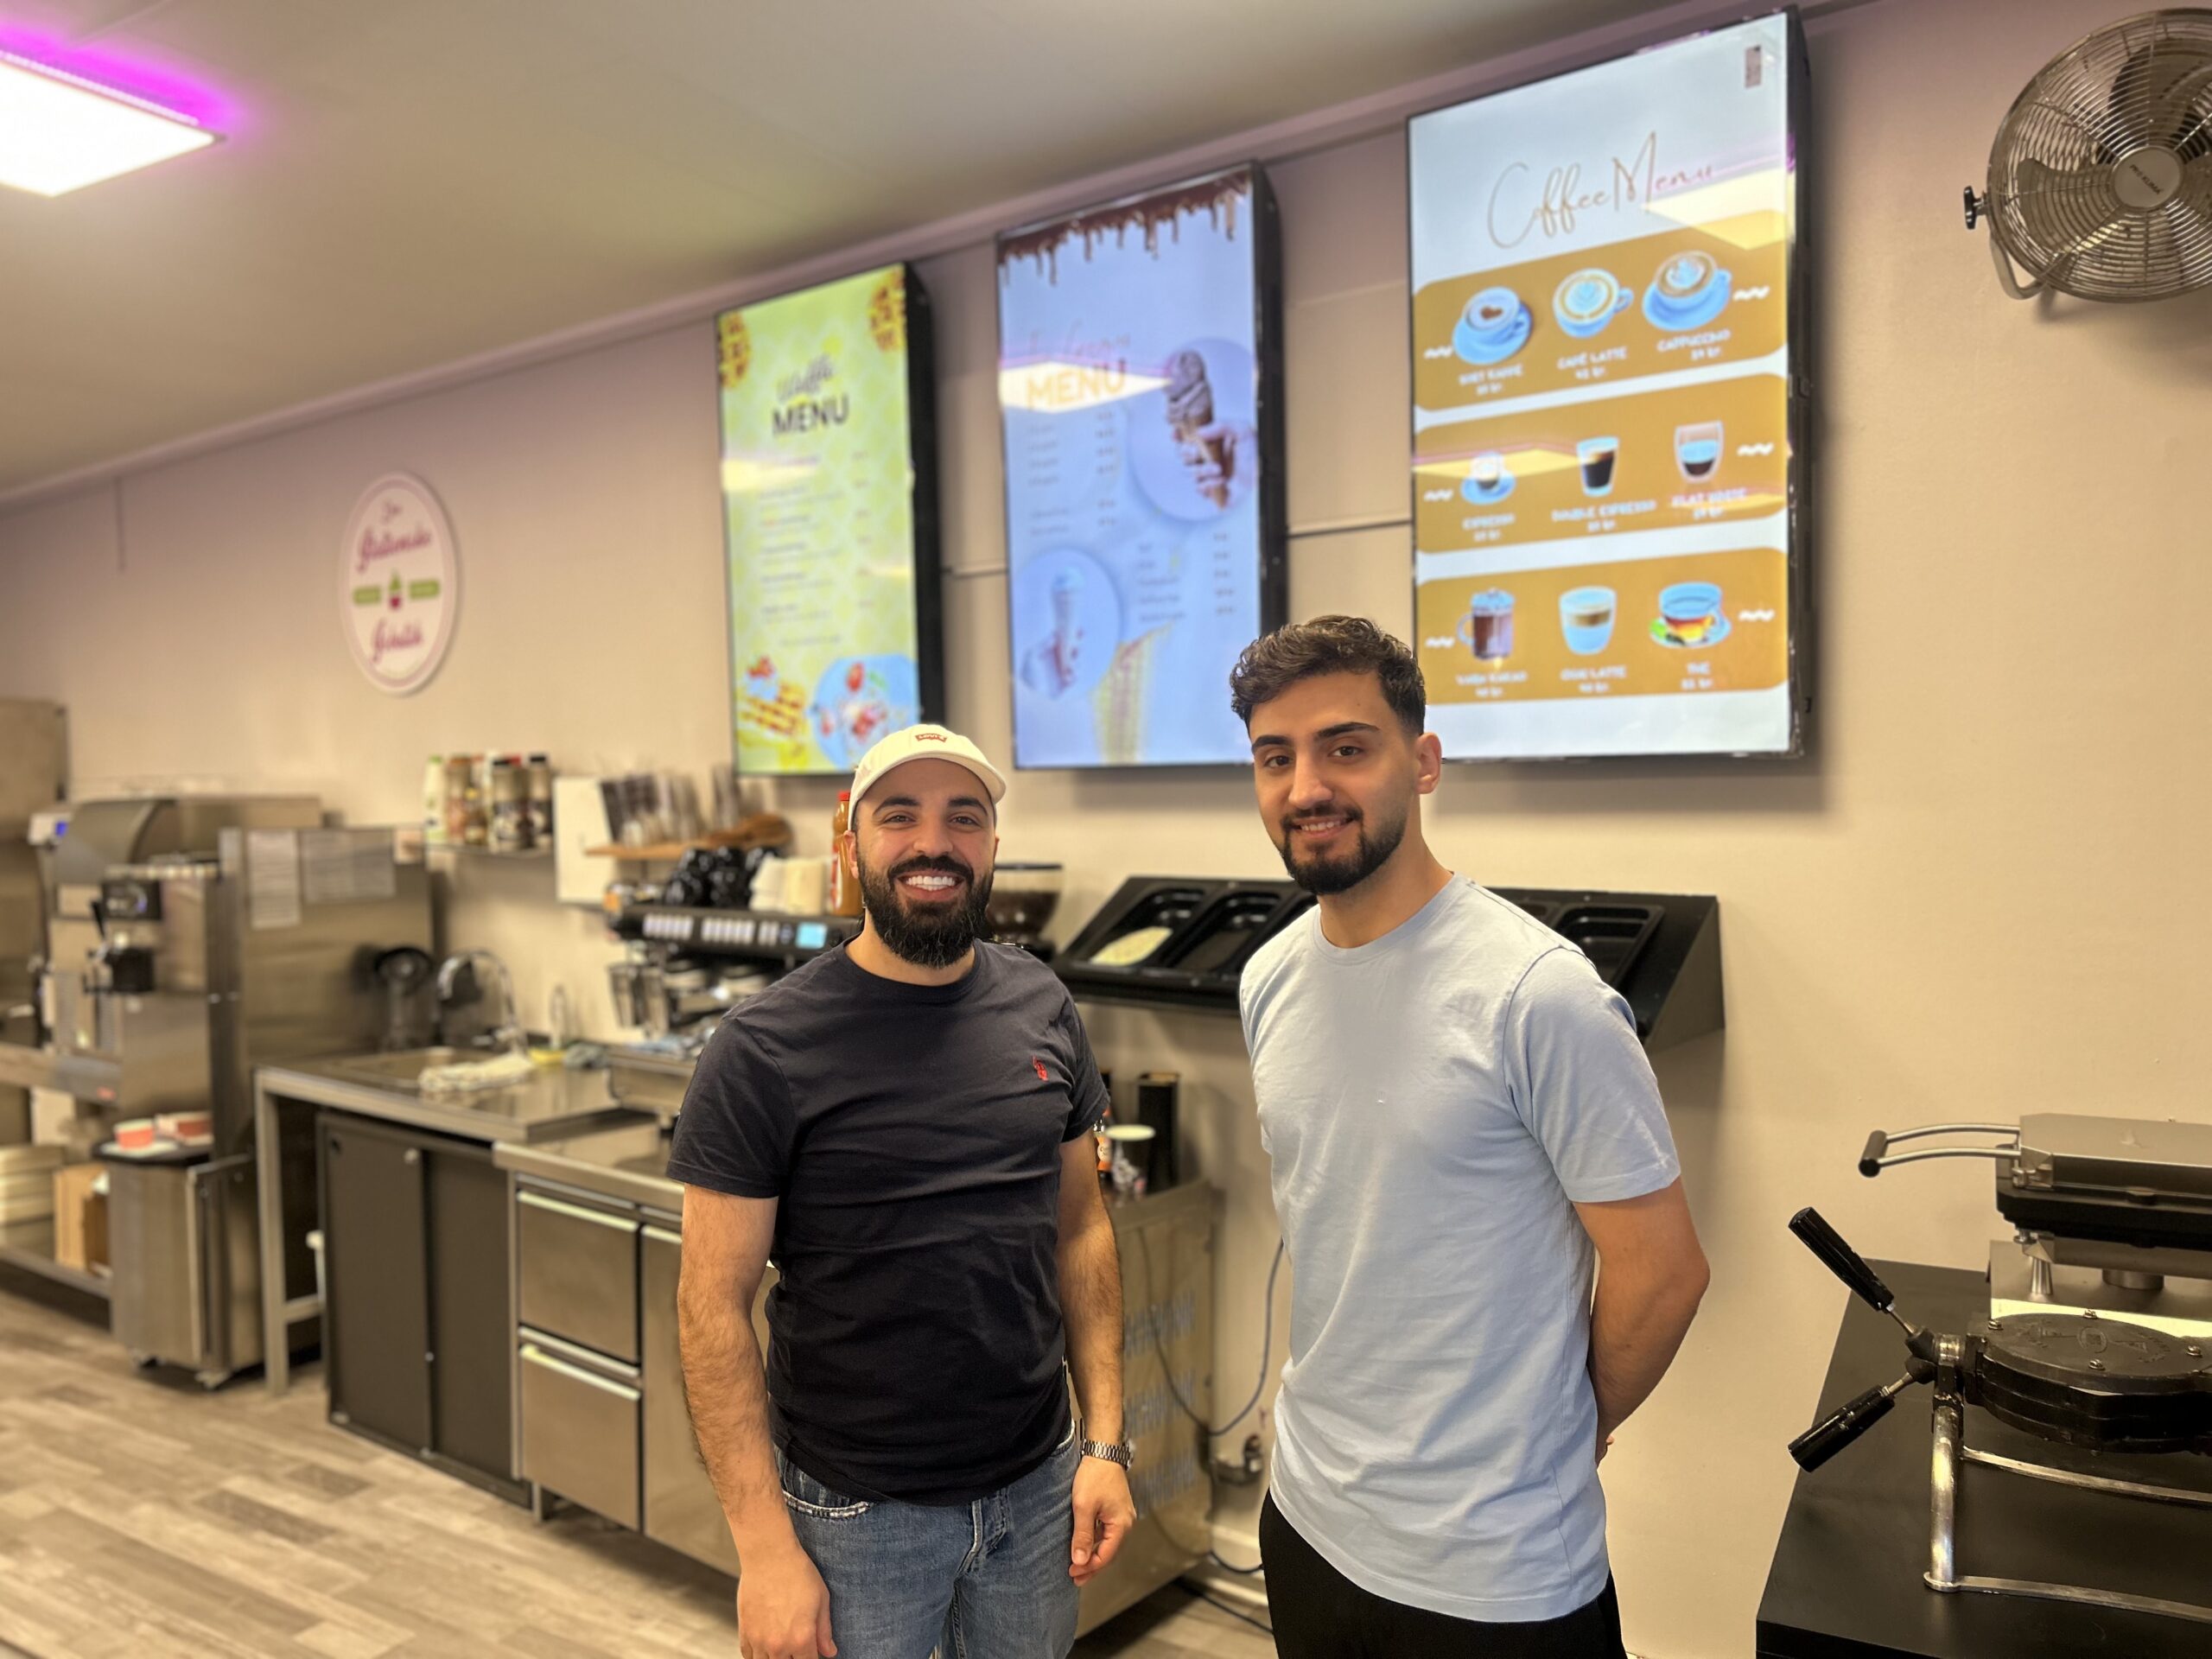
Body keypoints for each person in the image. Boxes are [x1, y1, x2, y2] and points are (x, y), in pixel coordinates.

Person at [1228, 616, 1710, 1657]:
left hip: (1496, 1570)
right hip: (1309, 1519)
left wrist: (1562, 1429)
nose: (1306, 786)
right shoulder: (1268, 979)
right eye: (1276, 757)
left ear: (1423, 762)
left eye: (1345, 747)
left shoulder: (1537, 995)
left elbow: (1664, 1273)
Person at [670, 724, 1135, 1659]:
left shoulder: (1041, 1003)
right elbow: (710, 1307)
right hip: (854, 1515)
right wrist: (764, 1552)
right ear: (851, 847)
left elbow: (1081, 1230)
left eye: (964, 818)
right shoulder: (763, 1048)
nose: (934, 842)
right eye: (899, 817)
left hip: (1037, 1491)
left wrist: (1104, 1444)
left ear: (992, 845)